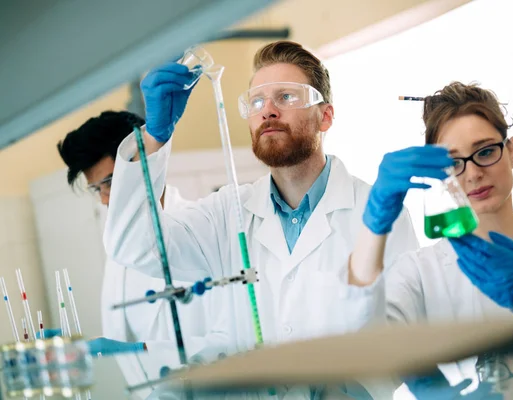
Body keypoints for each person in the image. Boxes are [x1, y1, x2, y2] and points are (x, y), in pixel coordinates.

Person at [103, 41, 419, 398]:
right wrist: (154, 138)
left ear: (326, 116)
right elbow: (136, 247)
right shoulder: (227, 213)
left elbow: (407, 329)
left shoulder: (377, 212)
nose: (268, 110)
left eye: (286, 97)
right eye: (257, 101)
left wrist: (348, 388)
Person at [348, 82, 513, 397]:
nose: (473, 173)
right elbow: (362, 350)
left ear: (512, 151)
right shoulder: (418, 273)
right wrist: (374, 226)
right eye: (453, 162)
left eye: (486, 151)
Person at [57, 111, 211, 397]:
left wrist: (142, 351)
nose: (105, 199)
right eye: (96, 188)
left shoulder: (201, 233)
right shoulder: (119, 249)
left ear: (148, 162)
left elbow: (233, 338)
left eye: (110, 182)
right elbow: (121, 340)